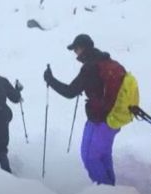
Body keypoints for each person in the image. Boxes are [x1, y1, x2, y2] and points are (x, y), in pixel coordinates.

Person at [43, 34, 123, 186]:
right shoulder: (106, 61)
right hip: (115, 117)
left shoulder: (90, 67)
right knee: (103, 155)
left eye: (76, 49)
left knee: (89, 156)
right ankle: (111, 190)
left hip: (99, 119)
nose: (75, 53)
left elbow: (69, 92)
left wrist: (50, 79)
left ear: (83, 48)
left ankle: (105, 193)